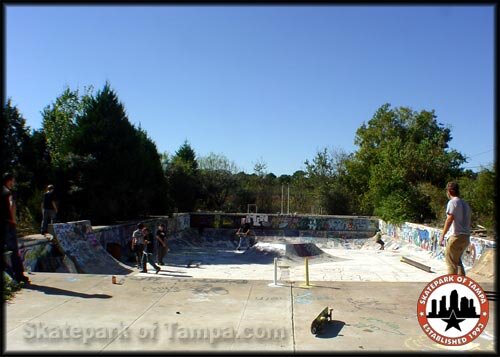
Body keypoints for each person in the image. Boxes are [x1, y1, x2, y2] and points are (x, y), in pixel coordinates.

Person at [1, 172, 30, 284]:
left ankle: (8, 275)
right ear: (8, 181)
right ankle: (19, 276)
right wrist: (13, 221)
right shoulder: (8, 192)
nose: (13, 183)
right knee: (14, 251)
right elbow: (11, 206)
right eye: (12, 181)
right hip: (8, 224)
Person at [439, 182, 472, 276]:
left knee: (451, 264)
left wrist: (442, 235)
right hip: (465, 237)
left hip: (456, 236)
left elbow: (449, 219)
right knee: (458, 262)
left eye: (447, 191)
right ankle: (463, 284)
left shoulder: (453, 202)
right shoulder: (465, 204)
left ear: (449, 191)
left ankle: (451, 285)